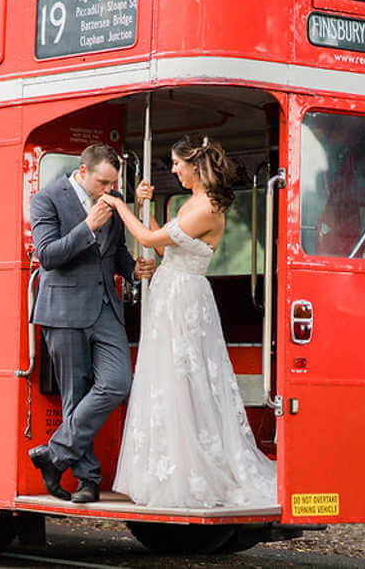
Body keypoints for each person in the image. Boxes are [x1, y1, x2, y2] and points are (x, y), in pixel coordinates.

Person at [100, 134, 276, 508]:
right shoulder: (192, 203)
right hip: (171, 293)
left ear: (195, 166)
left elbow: (146, 237)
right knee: (165, 377)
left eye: (177, 163)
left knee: (183, 377)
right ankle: (167, 468)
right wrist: (145, 207)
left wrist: (121, 204)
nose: (173, 169)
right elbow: (163, 246)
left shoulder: (206, 207)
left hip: (184, 298)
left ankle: (189, 471)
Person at [28, 144, 155, 503]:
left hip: (105, 309)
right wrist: (88, 226)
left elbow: (114, 254)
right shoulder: (46, 199)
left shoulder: (113, 201)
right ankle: (87, 480)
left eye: (114, 183)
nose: (109, 189)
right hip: (63, 311)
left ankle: (54, 454)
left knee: (118, 383)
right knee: (75, 395)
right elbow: (48, 256)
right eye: (103, 182)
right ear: (82, 171)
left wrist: (133, 270)